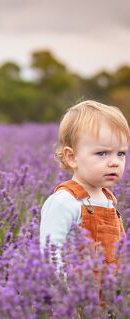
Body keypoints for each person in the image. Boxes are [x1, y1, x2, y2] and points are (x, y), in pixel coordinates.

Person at [40, 100, 129, 274]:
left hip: (109, 294)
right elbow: (50, 254)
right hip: (76, 295)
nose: (114, 162)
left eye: (121, 153)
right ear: (72, 157)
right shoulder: (64, 201)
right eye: (102, 153)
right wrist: (66, 294)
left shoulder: (109, 199)